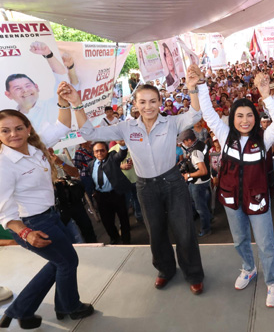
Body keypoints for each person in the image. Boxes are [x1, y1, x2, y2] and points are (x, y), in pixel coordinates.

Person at [74, 65, 205, 295]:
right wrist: (77, 104)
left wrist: (192, 88)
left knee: (184, 231)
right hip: (145, 187)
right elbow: (90, 134)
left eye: (153, 101)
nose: (148, 106)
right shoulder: (126, 128)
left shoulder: (171, 122)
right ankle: (165, 270)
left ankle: (193, 274)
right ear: (135, 104)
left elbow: (195, 115)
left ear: (160, 102)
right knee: (156, 232)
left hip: (173, 183)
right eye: (142, 102)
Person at [0, 82, 95, 329]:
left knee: (59, 263)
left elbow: (62, 126)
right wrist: (25, 233)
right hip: (32, 224)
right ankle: (70, 307)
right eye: (5, 131)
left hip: (51, 216)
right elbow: (4, 211)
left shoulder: (36, 146)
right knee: (67, 262)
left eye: (18, 128)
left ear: (28, 128)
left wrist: (63, 101)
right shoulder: (4, 165)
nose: (13, 135)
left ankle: (21, 310)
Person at [197, 70, 274, 307]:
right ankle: (248, 268)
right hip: (231, 199)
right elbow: (208, 113)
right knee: (239, 240)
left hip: (257, 200)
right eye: (239, 116)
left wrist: (266, 95)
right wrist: (202, 85)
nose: (244, 120)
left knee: (265, 244)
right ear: (232, 118)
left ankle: (272, 282)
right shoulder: (225, 135)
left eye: (249, 115)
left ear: (255, 118)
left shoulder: (264, 138)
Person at [89, 141, 131, 245]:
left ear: (107, 151)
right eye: (96, 151)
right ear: (93, 153)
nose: (99, 153)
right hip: (101, 197)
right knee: (106, 221)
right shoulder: (91, 164)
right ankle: (114, 238)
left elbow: (121, 155)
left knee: (123, 218)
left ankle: (126, 240)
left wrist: (122, 145)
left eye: (102, 150)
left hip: (116, 194)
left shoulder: (112, 158)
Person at [179, 129, 212, 237]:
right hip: (205, 181)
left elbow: (203, 171)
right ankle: (208, 219)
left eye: (184, 141)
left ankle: (206, 229)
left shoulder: (195, 152)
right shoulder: (201, 144)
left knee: (200, 208)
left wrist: (188, 175)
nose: (183, 144)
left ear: (189, 140)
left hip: (198, 183)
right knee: (203, 204)